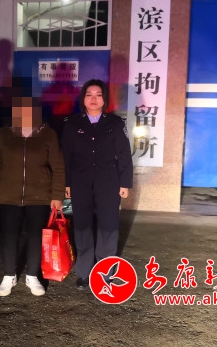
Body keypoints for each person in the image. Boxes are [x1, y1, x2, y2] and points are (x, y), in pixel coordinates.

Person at [0, 96, 65, 297]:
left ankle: (32, 276)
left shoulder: (48, 134)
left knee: (35, 236)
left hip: (39, 196)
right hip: (8, 196)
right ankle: (8, 275)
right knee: (9, 235)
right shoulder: (4, 134)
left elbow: (58, 167)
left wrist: (57, 195)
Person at [60, 79, 133, 290]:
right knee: (82, 225)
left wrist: (125, 182)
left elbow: (124, 154)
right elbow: (66, 156)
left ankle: (106, 271)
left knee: (108, 225)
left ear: (105, 99)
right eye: (89, 95)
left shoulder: (115, 124)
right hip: (80, 182)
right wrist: (66, 183)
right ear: (83, 98)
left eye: (98, 95)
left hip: (109, 181)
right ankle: (84, 272)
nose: (93, 99)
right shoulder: (72, 124)